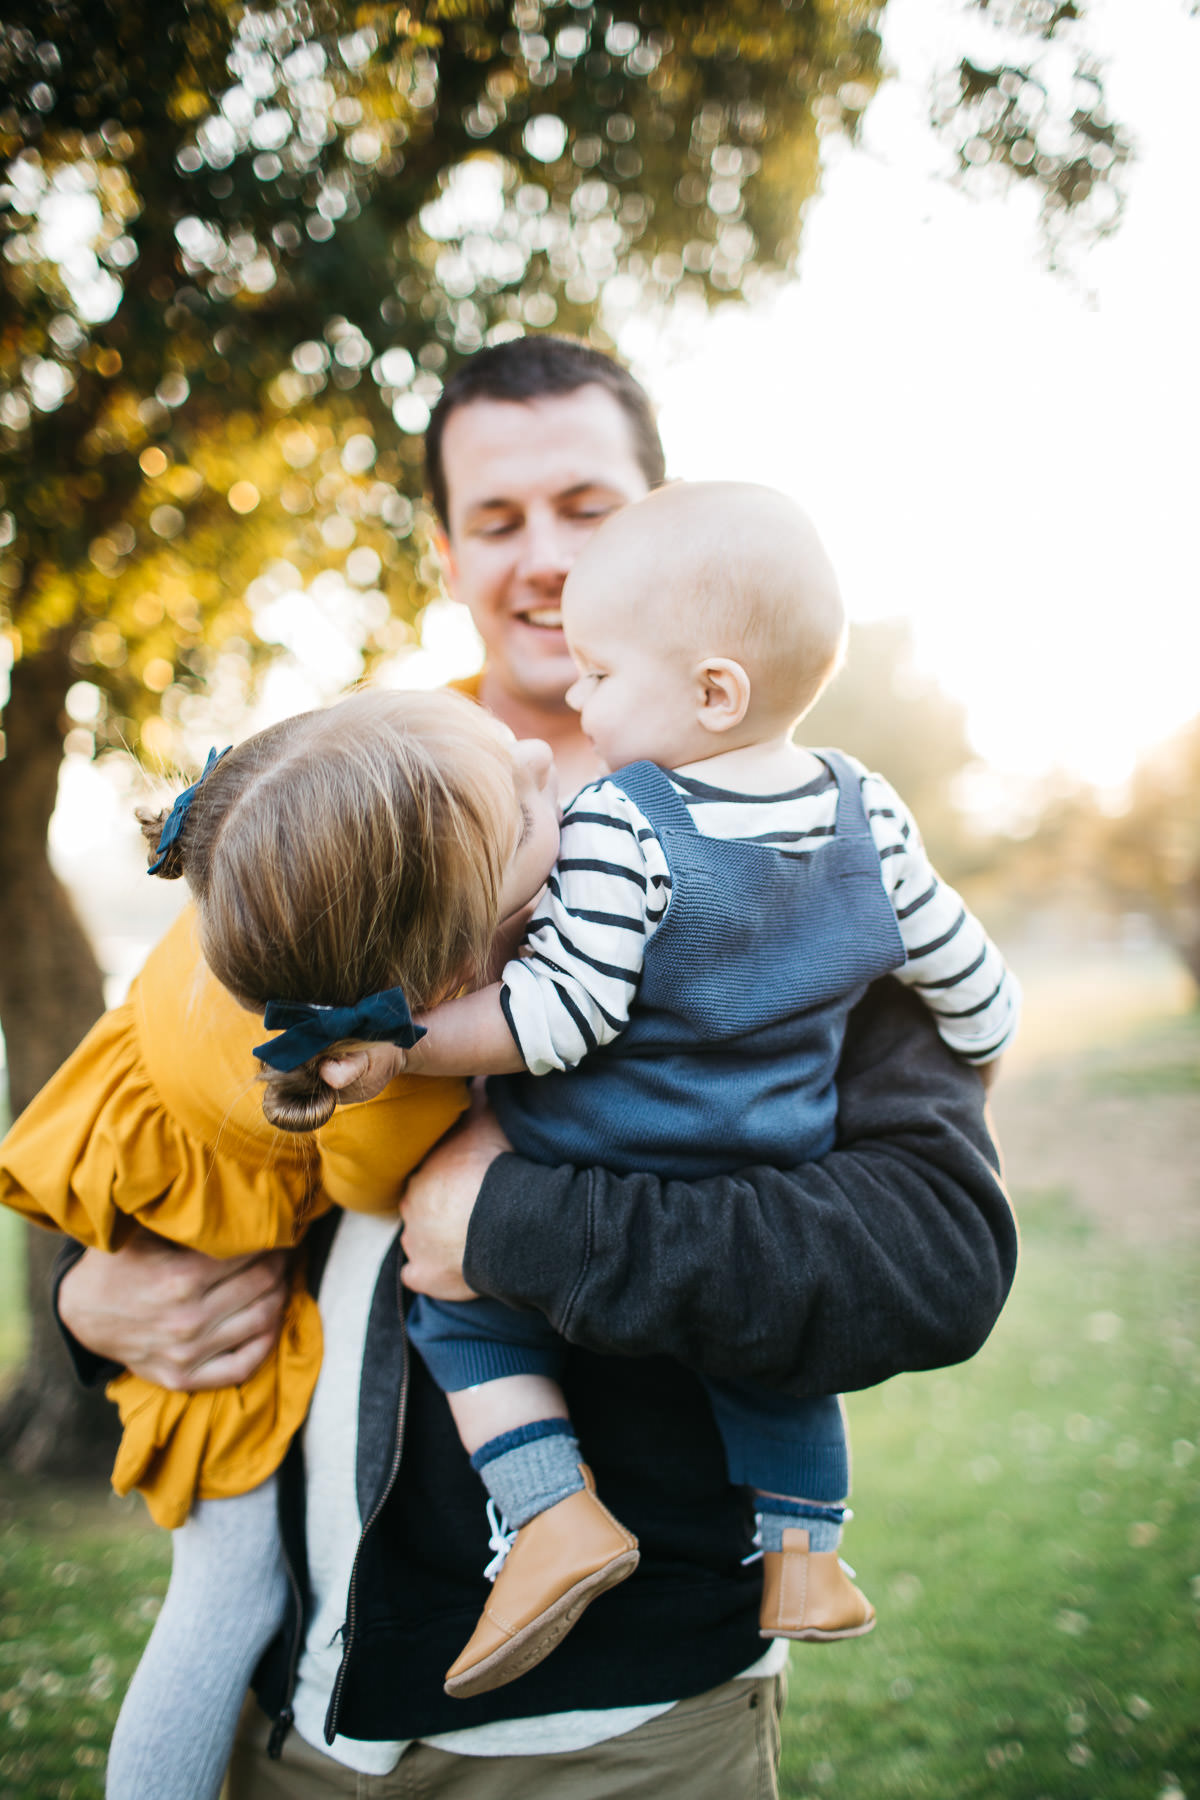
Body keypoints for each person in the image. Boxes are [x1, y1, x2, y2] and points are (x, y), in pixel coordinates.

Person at [51, 336, 1018, 1799]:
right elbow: (185, 1113)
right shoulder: (362, 801)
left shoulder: (807, 868)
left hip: (619, 1740)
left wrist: (503, 1225)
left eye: (590, 508)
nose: (549, 562)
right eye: (498, 522)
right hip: (304, 1711)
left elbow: (931, 1262)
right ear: (444, 553)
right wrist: (90, 1303)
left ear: (667, 522)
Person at [327, 480, 1020, 1699]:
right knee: (769, 1356)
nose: (577, 695)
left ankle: (550, 1512)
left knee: (462, 1307)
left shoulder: (620, 821)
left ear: (712, 692)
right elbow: (971, 979)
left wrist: (410, 1042)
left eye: (597, 672)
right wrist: (982, 1048)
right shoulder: (868, 811)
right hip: (771, 1163)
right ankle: (807, 1555)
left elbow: (560, 1015)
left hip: (600, 1154)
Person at [1, 689, 561, 1799]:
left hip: (150, 1187)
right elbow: (365, 1180)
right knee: (226, 1596)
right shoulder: (380, 1078)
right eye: (526, 812)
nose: (542, 765)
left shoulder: (301, 865)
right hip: (205, 1285)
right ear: (437, 989)